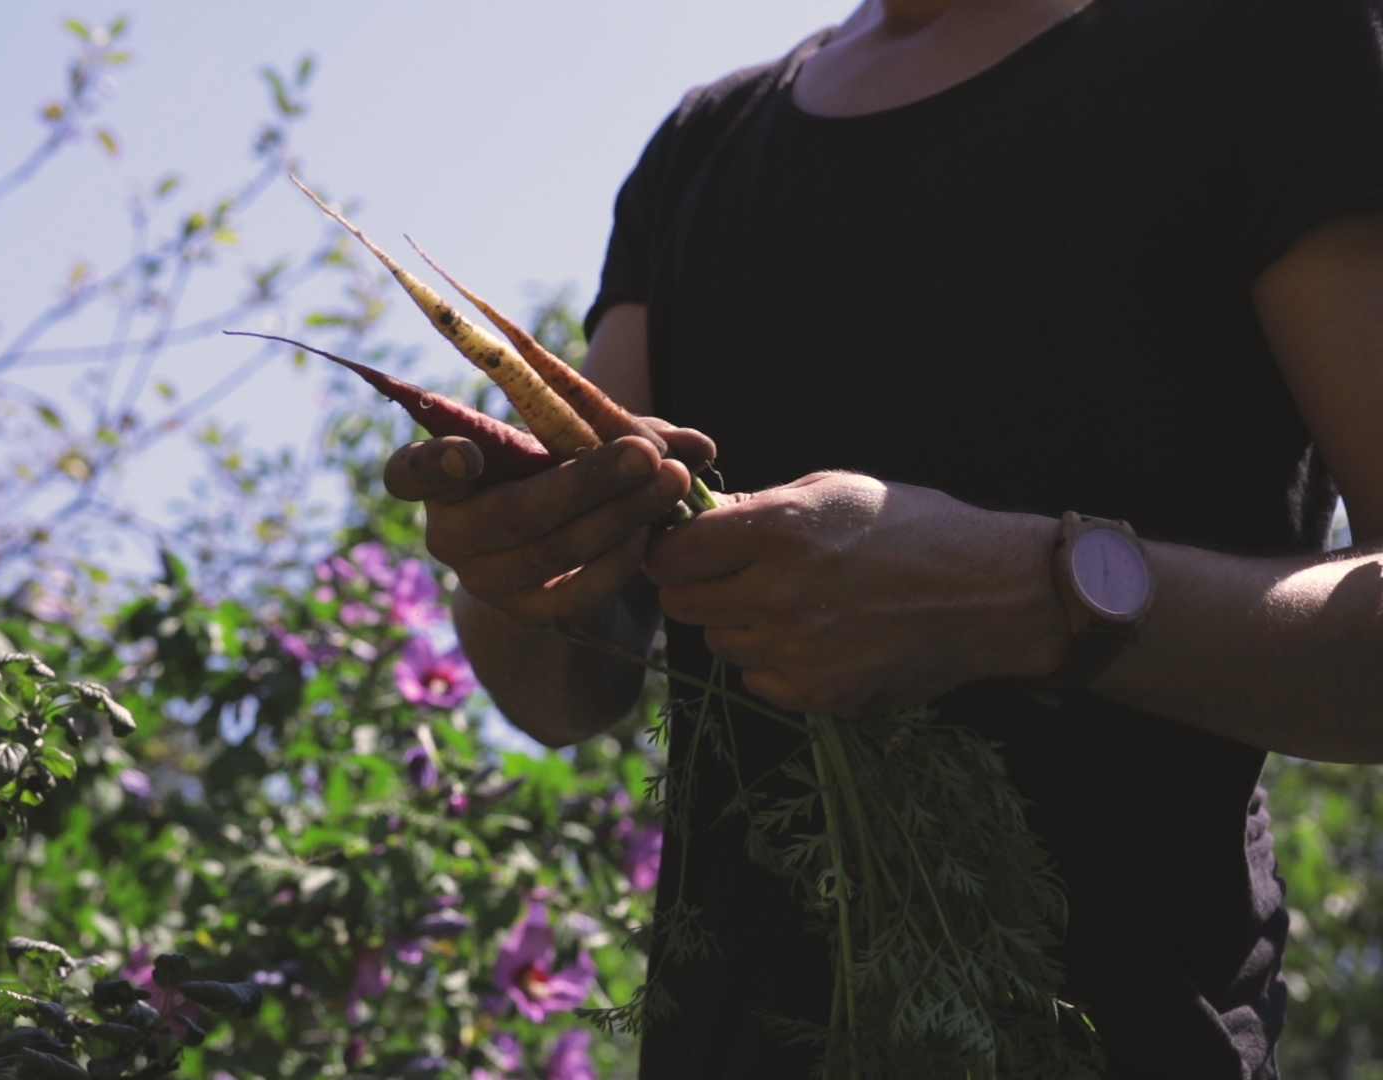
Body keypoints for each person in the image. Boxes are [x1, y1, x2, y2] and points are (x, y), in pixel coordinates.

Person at [382, 0, 1383, 1074]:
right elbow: (559, 693)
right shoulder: (705, 144)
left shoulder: (1283, 41)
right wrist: (519, 569)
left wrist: (1029, 597)